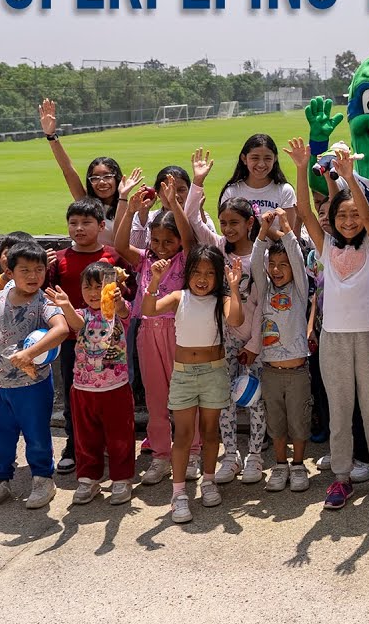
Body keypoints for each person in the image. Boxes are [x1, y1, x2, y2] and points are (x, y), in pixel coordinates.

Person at [289, 140, 369, 510]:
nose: (350, 221)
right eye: (343, 216)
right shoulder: (324, 247)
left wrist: (350, 179)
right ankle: (340, 479)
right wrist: (302, 166)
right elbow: (305, 210)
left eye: (355, 215)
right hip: (333, 341)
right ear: (333, 220)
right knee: (339, 411)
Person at [142, 246, 245, 523]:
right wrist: (155, 280)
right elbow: (148, 309)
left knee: (211, 433)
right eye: (197, 272)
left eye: (210, 273)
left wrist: (234, 289)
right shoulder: (178, 296)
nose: (202, 278)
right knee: (184, 435)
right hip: (184, 374)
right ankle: (178, 494)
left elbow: (236, 319)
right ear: (187, 273)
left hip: (213, 372)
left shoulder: (220, 299)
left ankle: (208, 481)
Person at [186, 148, 270, 486]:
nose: (228, 228)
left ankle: (255, 455)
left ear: (250, 223)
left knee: (255, 399)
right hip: (223, 341)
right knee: (224, 400)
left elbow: (265, 301)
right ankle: (231, 455)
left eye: (235, 223)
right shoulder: (219, 248)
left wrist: (254, 343)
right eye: (224, 223)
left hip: (255, 341)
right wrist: (198, 181)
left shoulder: (261, 254)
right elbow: (193, 218)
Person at [0, 243, 70, 511]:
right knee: (0, 435)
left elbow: (61, 330)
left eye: (39, 269)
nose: (33, 275)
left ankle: (42, 479)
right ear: (9, 271)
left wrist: (31, 353)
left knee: (36, 435)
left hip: (33, 385)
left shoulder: (44, 301)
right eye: (25, 270)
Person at [114, 179, 199, 485]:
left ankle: (193, 452)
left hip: (180, 332)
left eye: (168, 241)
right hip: (147, 332)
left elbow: (189, 239)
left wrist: (175, 204)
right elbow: (120, 245)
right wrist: (130, 208)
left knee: (186, 395)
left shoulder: (186, 259)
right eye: (156, 240)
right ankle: (161, 455)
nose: (161, 247)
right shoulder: (145, 260)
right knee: (156, 397)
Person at [46, 198, 129, 474]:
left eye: (86, 223)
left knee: (110, 396)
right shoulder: (57, 259)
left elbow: (126, 296)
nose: (79, 228)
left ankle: (106, 445)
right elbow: (49, 295)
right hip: (73, 341)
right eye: (73, 223)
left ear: (101, 225)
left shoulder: (113, 257)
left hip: (110, 341)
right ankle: (74, 443)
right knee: (75, 395)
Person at [47, 261, 136, 506]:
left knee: (120, 437)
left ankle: (121, 478)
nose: (94, 292)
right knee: (86, 437)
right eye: (89, 287)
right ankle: (88, 478)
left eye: (100, 287)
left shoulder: (117, 312)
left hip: (115, 387)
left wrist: (117, 299)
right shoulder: (81, 314)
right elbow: (76, 325)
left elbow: (125, 311)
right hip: (83, 389)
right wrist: (65, 305)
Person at [252, 208, 313, 493]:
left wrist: (287, 227)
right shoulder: (265, 290)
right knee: (275, 423)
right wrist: (263, 231)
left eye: (282, 264)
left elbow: (298, 261)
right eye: (272, 264)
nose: (276, 270)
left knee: (298, 420)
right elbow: (255, 264)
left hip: (298, 371)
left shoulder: (300, 290)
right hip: (271, 372)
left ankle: (298, 465)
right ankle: (279, 465)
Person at [40, 99, 124, 245]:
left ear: (117, 178)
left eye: (107, 176)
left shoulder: (126, 206)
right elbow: (68, 170)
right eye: (95, 178)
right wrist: (51, 136)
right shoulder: (86, 202)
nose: (101, 182)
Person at [217, 134, 298, 231]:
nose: (261, 164)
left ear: (275, 159)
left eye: (267, 158)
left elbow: (289, 237)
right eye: (255, 158)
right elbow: (228, 233)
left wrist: (261, 228)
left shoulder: (285, 191)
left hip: (277, 247)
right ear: (244, 159)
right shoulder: (232, 192)